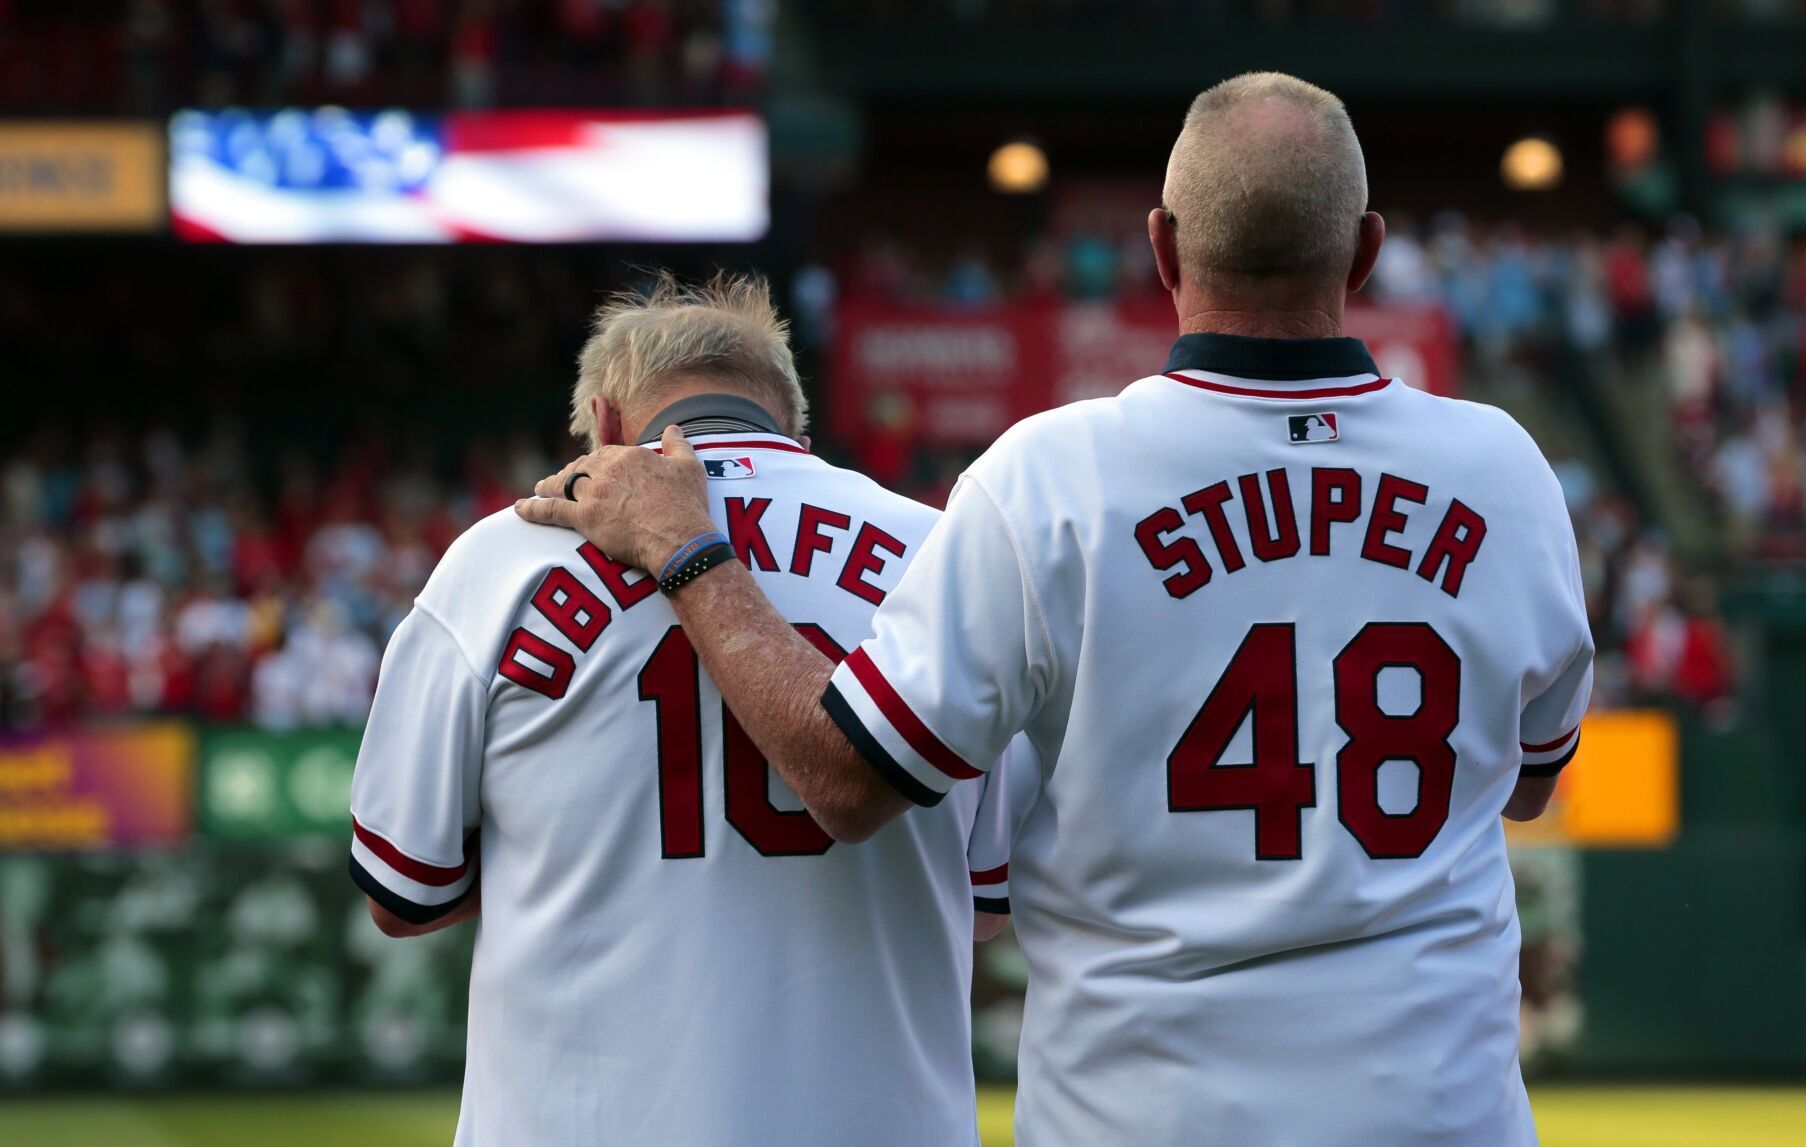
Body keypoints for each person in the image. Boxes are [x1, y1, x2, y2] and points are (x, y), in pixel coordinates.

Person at [519, 73, 1593, 1146]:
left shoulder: (1051, 476)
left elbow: (842, 777)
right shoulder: (1503, 471)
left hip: (1147, 1116)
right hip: (1439, 1115)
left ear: (1163, 249)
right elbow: (1530, 779)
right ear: (1365, 251)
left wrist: (691, 549)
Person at [349, 273, 1015, 1147]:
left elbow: (404, 891)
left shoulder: (499, 560)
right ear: (796, 430)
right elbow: (989, 899)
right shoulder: (943, 552)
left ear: (608, 425)